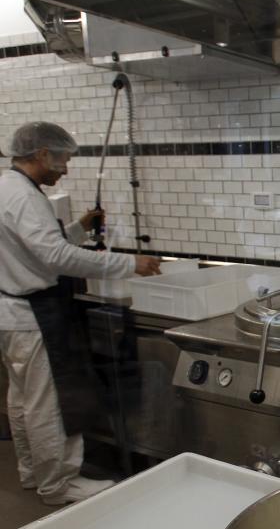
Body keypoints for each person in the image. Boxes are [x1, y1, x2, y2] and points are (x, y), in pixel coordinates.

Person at [0, 121, 161, 506]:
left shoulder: (9, 187)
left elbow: (37, 245)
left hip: (12, 312)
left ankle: (32, 471)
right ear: (41, 155)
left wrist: (78, 228)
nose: (66, 169)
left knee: (22, 400)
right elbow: (53, 256)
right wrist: (128, 264)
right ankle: (58, 484)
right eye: (63, 160)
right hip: (32, 315)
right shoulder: (24, 197)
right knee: (49, 402)